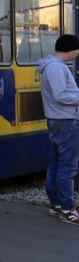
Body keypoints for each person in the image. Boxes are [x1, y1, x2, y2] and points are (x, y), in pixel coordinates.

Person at [37, 33, 79, 225]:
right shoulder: (55, 68)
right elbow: (61, 95)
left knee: (56, 164)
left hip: (59, 122)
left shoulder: (55, 66)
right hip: (66, 122)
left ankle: (56, 206)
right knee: (67, 167)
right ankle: (67, 209)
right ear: (71, 49)